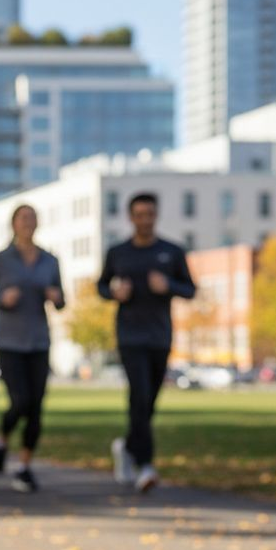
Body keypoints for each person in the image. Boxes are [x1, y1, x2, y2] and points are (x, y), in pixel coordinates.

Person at [97, 193, 196, 494]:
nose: (145, 219)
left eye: (150, 214)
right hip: (129, 336)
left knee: (148, 403)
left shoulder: (172, 251)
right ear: (131, 217)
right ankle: (146, 466)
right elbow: (101, 286)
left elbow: (190, 289)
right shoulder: (118, 253)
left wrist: (168, 286)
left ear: (156, 215)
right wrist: (115, 292)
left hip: (160, 336)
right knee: (139, 396)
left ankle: (126, 447)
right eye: (139, 214)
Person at [0, 205, 65, 494]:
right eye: (23, 218)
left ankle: (24, 467)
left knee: (36, 406)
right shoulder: (0, 260)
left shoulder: (50, 260)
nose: (28, 223)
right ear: (13, 224)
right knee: (20, 400)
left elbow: (62, 301)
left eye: (32, 218)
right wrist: (1, 297)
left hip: (39, 339)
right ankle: (0, 441)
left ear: (38, 223)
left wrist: (55, 296)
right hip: (9, 339)